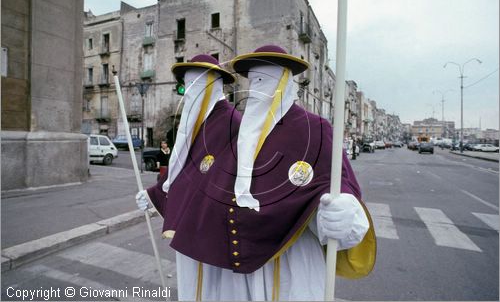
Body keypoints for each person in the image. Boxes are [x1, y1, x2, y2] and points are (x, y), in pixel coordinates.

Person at [155, 45, 376, 301]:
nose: (257, 88)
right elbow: (209, 185)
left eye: (264, 80)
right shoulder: (242, 135)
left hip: (291, 259)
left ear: (286, 81)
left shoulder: (315, 130)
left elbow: (339, 186)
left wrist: (343, 213)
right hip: (238, 271)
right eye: (253, 81)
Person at [135, 54, 242, 295]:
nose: (189, 92)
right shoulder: (196, 122)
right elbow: (181, 167)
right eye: (186, 85)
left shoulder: (232, 123)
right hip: (190, 226)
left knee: (214, 291)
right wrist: (154, 194)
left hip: (214, 229)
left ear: (213, 85)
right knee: (191, 288)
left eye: (196, 84)